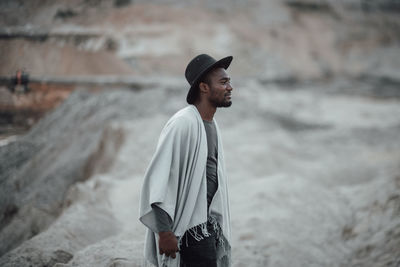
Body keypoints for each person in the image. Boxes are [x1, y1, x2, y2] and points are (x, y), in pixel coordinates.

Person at [139, 54, 234, 267]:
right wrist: (164, 233)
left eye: (229, 81)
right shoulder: (182, 124)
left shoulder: (212, 124)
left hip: (206, 228)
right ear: (204, 87)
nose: (230, 87)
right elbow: (159, 180)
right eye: (223, 82)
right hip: (190, 234)